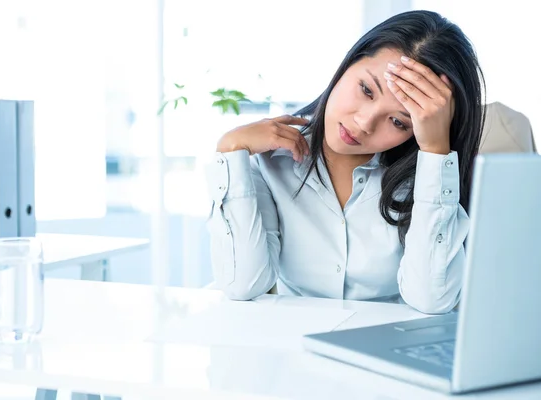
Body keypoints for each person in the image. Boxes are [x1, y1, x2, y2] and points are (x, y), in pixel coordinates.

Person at [205, 10, 485, 314]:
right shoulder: (271, 158)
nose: (364, 123)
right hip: (293, 345)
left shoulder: (426, 176)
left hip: (385, 349)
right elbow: (244, 284)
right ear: (349, 63)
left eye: (398, 121)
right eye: (366, 90)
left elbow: (432, 299)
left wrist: (435, 151)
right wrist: (230, 151)